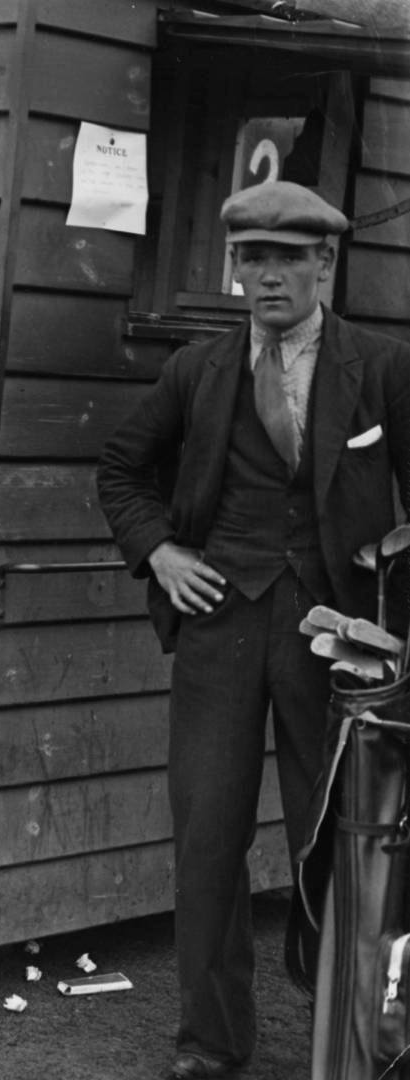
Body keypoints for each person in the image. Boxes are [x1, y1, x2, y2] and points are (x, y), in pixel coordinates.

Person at [97, 181, 410, 1079]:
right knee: (206, 836)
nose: (269, 277)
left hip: (341, 650)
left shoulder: (382, 367)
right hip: (219, 634)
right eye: (253, 259)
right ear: (234, 267)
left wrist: (396, 630)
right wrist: (160, 553)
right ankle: (210, 1040)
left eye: (289, 258)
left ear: (325, 263)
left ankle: (353, 1038)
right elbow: (120, 471)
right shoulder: (196, 371)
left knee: (352, 838)